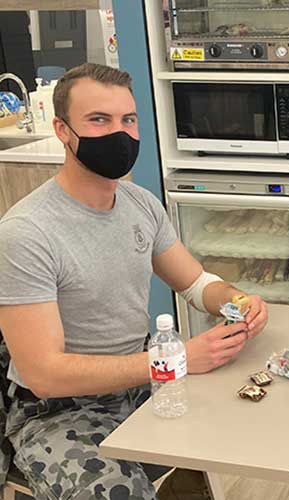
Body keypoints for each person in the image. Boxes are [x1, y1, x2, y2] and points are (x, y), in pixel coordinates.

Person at [0, 63, 269, 499]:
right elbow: (44, 374)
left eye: (128, 120)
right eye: (99, 120)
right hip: (58, 412)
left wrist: (238, 301)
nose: (120, 135)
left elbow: (197, 284)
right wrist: (175, 360)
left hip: (144, 382)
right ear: (63, 130)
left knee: (249, 418)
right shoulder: (27, 233)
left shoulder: (140, 204)